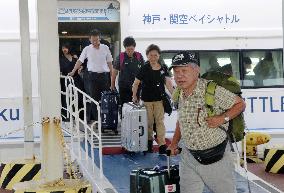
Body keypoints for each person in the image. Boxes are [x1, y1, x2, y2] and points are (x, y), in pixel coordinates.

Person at [168, 51, 246, 193]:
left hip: (216, 157)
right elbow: (182, 120)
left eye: (184, 70)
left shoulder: (211, 90)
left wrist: (222, 119)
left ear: (196, 71)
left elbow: (240, 104)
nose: (179, 75)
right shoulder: (178, 93)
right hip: (189, 156)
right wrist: (174, 143)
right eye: (176, 71)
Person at [132, 44, 174, 154]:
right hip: (147, 100)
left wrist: (174, 95)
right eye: (151, 55)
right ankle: (149, 143)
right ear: (147, 56)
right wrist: (134, 95)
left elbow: (168, 83)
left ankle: (162, 145)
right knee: (149, 123)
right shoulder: (144, 68)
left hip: (159, 100)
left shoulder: (163, 68)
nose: (153, 57)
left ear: (159, 56)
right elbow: (136, 83)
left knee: (160, 122)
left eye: (155, 55)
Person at [68, 29, 113, 122]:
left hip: (104, 77)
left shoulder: (105, 48)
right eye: (93, 40)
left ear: (99, 38)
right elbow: (80, 61)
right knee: (94, 100)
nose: (95, 42)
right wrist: (73, 72)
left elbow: (110, 63)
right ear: (90, 40)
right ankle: (98, 121)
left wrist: (112, 78)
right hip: (92, 77)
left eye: (97, 40)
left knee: (106, 99)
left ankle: (106, 121)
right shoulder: (87, 49)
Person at [111, 37, 144, 115]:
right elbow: (114, 72)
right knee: (124, 106)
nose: (130, 51)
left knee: (135, 106)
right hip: (124, 87)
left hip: (136, 87)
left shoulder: (139, 56)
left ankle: (134, 123)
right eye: (128, 49)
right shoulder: (121, 57)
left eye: (132, 49)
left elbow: (143, 71)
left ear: (134, 48)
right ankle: (124, 123)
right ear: (125, 48)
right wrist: (112, 84)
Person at [59, 43, 84, 121]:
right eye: (63, 48)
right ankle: (67, 116)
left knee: (79, 97)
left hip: (77, 80)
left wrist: (81, 68)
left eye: (66, 48)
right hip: (66, 81)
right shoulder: (60, 59)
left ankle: (79, 115)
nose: (64, 50)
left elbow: (81, 66)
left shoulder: (74, 57)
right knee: (66, 98)